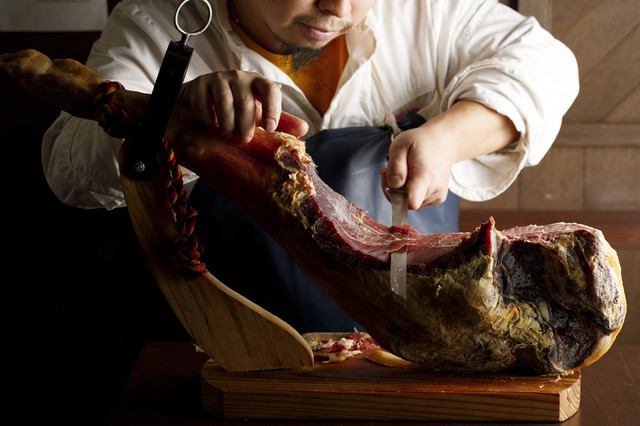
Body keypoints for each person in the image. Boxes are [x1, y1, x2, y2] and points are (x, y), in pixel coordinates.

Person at [42, 0, 579, 332]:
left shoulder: (423, 10)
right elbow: (69, 171)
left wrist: (448, 137)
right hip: (235, 345)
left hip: (410, 345)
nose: (338, 7)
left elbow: (547, 65)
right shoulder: (155, 23)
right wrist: (174, 114)